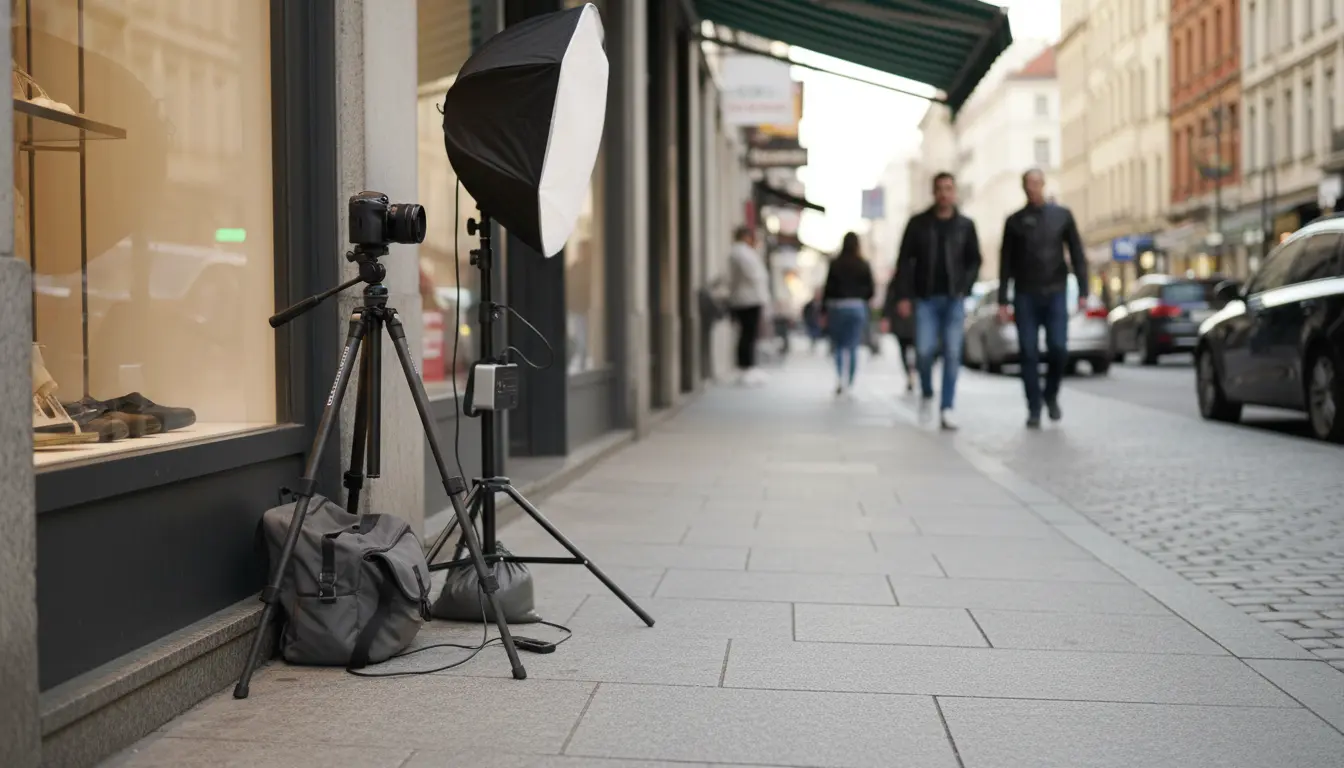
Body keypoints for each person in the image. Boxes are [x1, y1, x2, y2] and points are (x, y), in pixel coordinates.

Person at [998, 168, 1089, 428]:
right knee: (1028, 352)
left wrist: (1083, 291)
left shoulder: (1061, 215)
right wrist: (1003, 300)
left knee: (1059, 348)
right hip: (1025, 294)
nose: (1033, 188)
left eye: (1037, 183)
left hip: (1056, 292)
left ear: (1044, 185)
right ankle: (1034, 407)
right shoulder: (1014, 221)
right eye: (1028, 184)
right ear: (1023, 187)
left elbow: (1077, 253)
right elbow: (1006, 262)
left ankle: (1050, 394)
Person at [893, 171, 982, 430]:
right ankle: (927, 393)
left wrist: (965, 287)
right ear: (934, 193)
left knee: (953, 354)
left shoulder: (966, 225)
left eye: (949, 188)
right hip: (926, 299)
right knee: (923, 351)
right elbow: (904, 262)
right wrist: (904, 295)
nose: (944, 193)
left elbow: (975, 260)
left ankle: (947, 408)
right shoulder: (918, 223)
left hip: (954, 299)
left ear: (954, 192)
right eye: (940, 189)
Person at [821, 232, 875, 396]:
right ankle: (850, 382)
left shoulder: (835, 263)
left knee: (838, 345)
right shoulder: (863, 264)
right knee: (852, 346)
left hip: (837, 307)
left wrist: (824, 310)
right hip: (856, 307)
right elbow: (871, 290)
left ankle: (840, 379)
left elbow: (828, 288)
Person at [727, 225, 771, 386]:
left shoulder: (741, 252)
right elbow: (754, 275)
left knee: (748, 334)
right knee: (748, 334)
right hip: (748, 300)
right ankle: (746, 367)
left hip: (747, 299)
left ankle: (748, 366)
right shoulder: (741, 252)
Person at [881, 274, 918, 393]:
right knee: (905, 348)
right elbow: (889, 299)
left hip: (913, 320)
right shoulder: (897, 280)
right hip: (902, 320)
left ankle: (911, 373)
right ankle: (910, 374)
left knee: (913, 349)